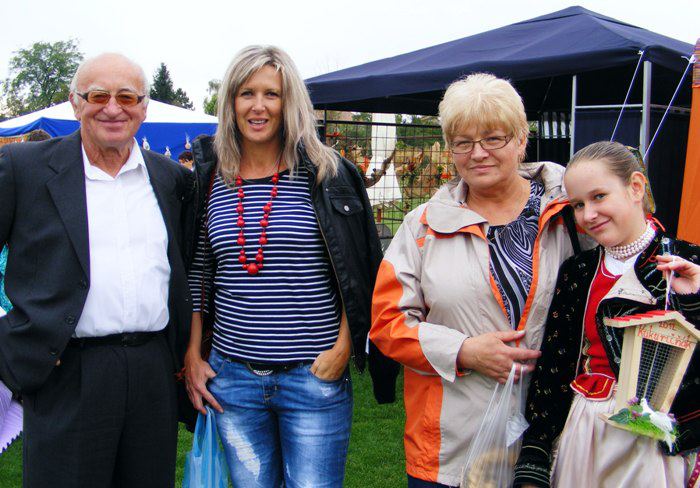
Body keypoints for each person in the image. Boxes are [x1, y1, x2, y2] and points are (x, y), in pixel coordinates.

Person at [370, 73, 589, 487]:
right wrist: (464, 351)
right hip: (453, 446)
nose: (478, 153)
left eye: (493, 138)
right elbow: (387, 323)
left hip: (557, 438)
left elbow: (627, 260)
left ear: (521, 140)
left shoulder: (570, 212)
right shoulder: (422, 227)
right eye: (463, 142)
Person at [184, 45, 385, 487]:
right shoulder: (211, 178)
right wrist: (193, 355)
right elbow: (198, 272)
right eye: (246, 93)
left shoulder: (327, 173)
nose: (258, 106)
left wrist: (344, 348)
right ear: (230, 102)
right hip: (232, 378)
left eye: (271, 94)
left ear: (288, 101)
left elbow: (361, 269)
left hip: (312, 377)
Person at [0, 53, 194, 487]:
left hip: (152, 371)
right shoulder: (24, 169)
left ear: (143, 107)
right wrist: (8, 337)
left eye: (127, 97)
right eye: (98, 96)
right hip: (65, 370)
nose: (112, 108)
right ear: (75, 103)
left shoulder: (169, 179)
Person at [513, 141, 700, 488]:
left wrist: (693, 302)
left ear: (635, 188)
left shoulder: (689, 262)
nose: (588, 215)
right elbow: (556, 363)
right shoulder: (579, 271)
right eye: (578, 205)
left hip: (657, 444)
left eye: (599, 196)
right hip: (586, 432)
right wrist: (536, 452)